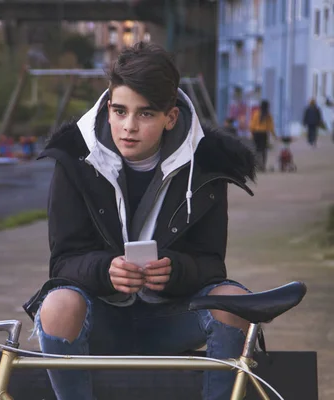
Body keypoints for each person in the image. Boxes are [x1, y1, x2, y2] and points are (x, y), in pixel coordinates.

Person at [22, 42, 257, 400]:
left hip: (171, 317)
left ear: (170, 118)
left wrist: (175, 271)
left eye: (145, 114)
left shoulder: (208, 166)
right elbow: (64, 262)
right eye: (119, 111)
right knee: (57, 304)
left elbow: (212, 266)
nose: (128, 126)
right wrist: (107, 271)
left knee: (234, 300)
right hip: (102, 317)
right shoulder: (74, 158)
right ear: (108, 108)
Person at [249, 100, 277, 172]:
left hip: (256, 133)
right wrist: (274, 135)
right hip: (264, 134)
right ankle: (263, 166)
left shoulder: (256, 113)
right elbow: (271, 127)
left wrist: (252, 133)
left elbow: (252, 124)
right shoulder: (268, 115)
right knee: (264, 150)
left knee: (257, 150)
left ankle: (258, 165)